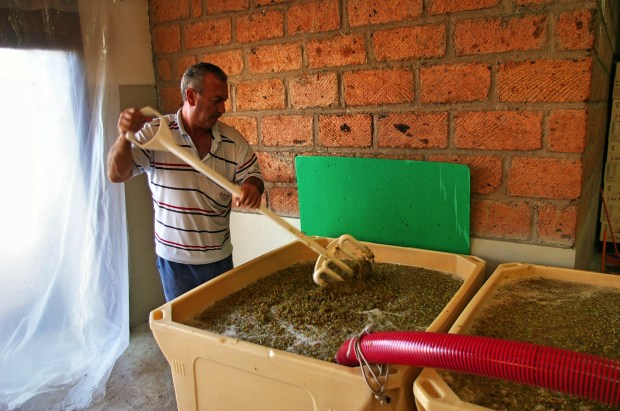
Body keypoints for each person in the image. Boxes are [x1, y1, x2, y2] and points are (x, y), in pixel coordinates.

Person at [107, 62, 264, 301]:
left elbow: (252, 174)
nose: (223, 108)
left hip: (218, 259)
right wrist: (124, 137)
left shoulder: (232, 141)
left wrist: (252, 186)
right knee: (184, 331)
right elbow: (117, 174)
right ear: (191, 96)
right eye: (216, 100)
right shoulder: (156, 134)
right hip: (175, 262)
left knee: (223, 330)